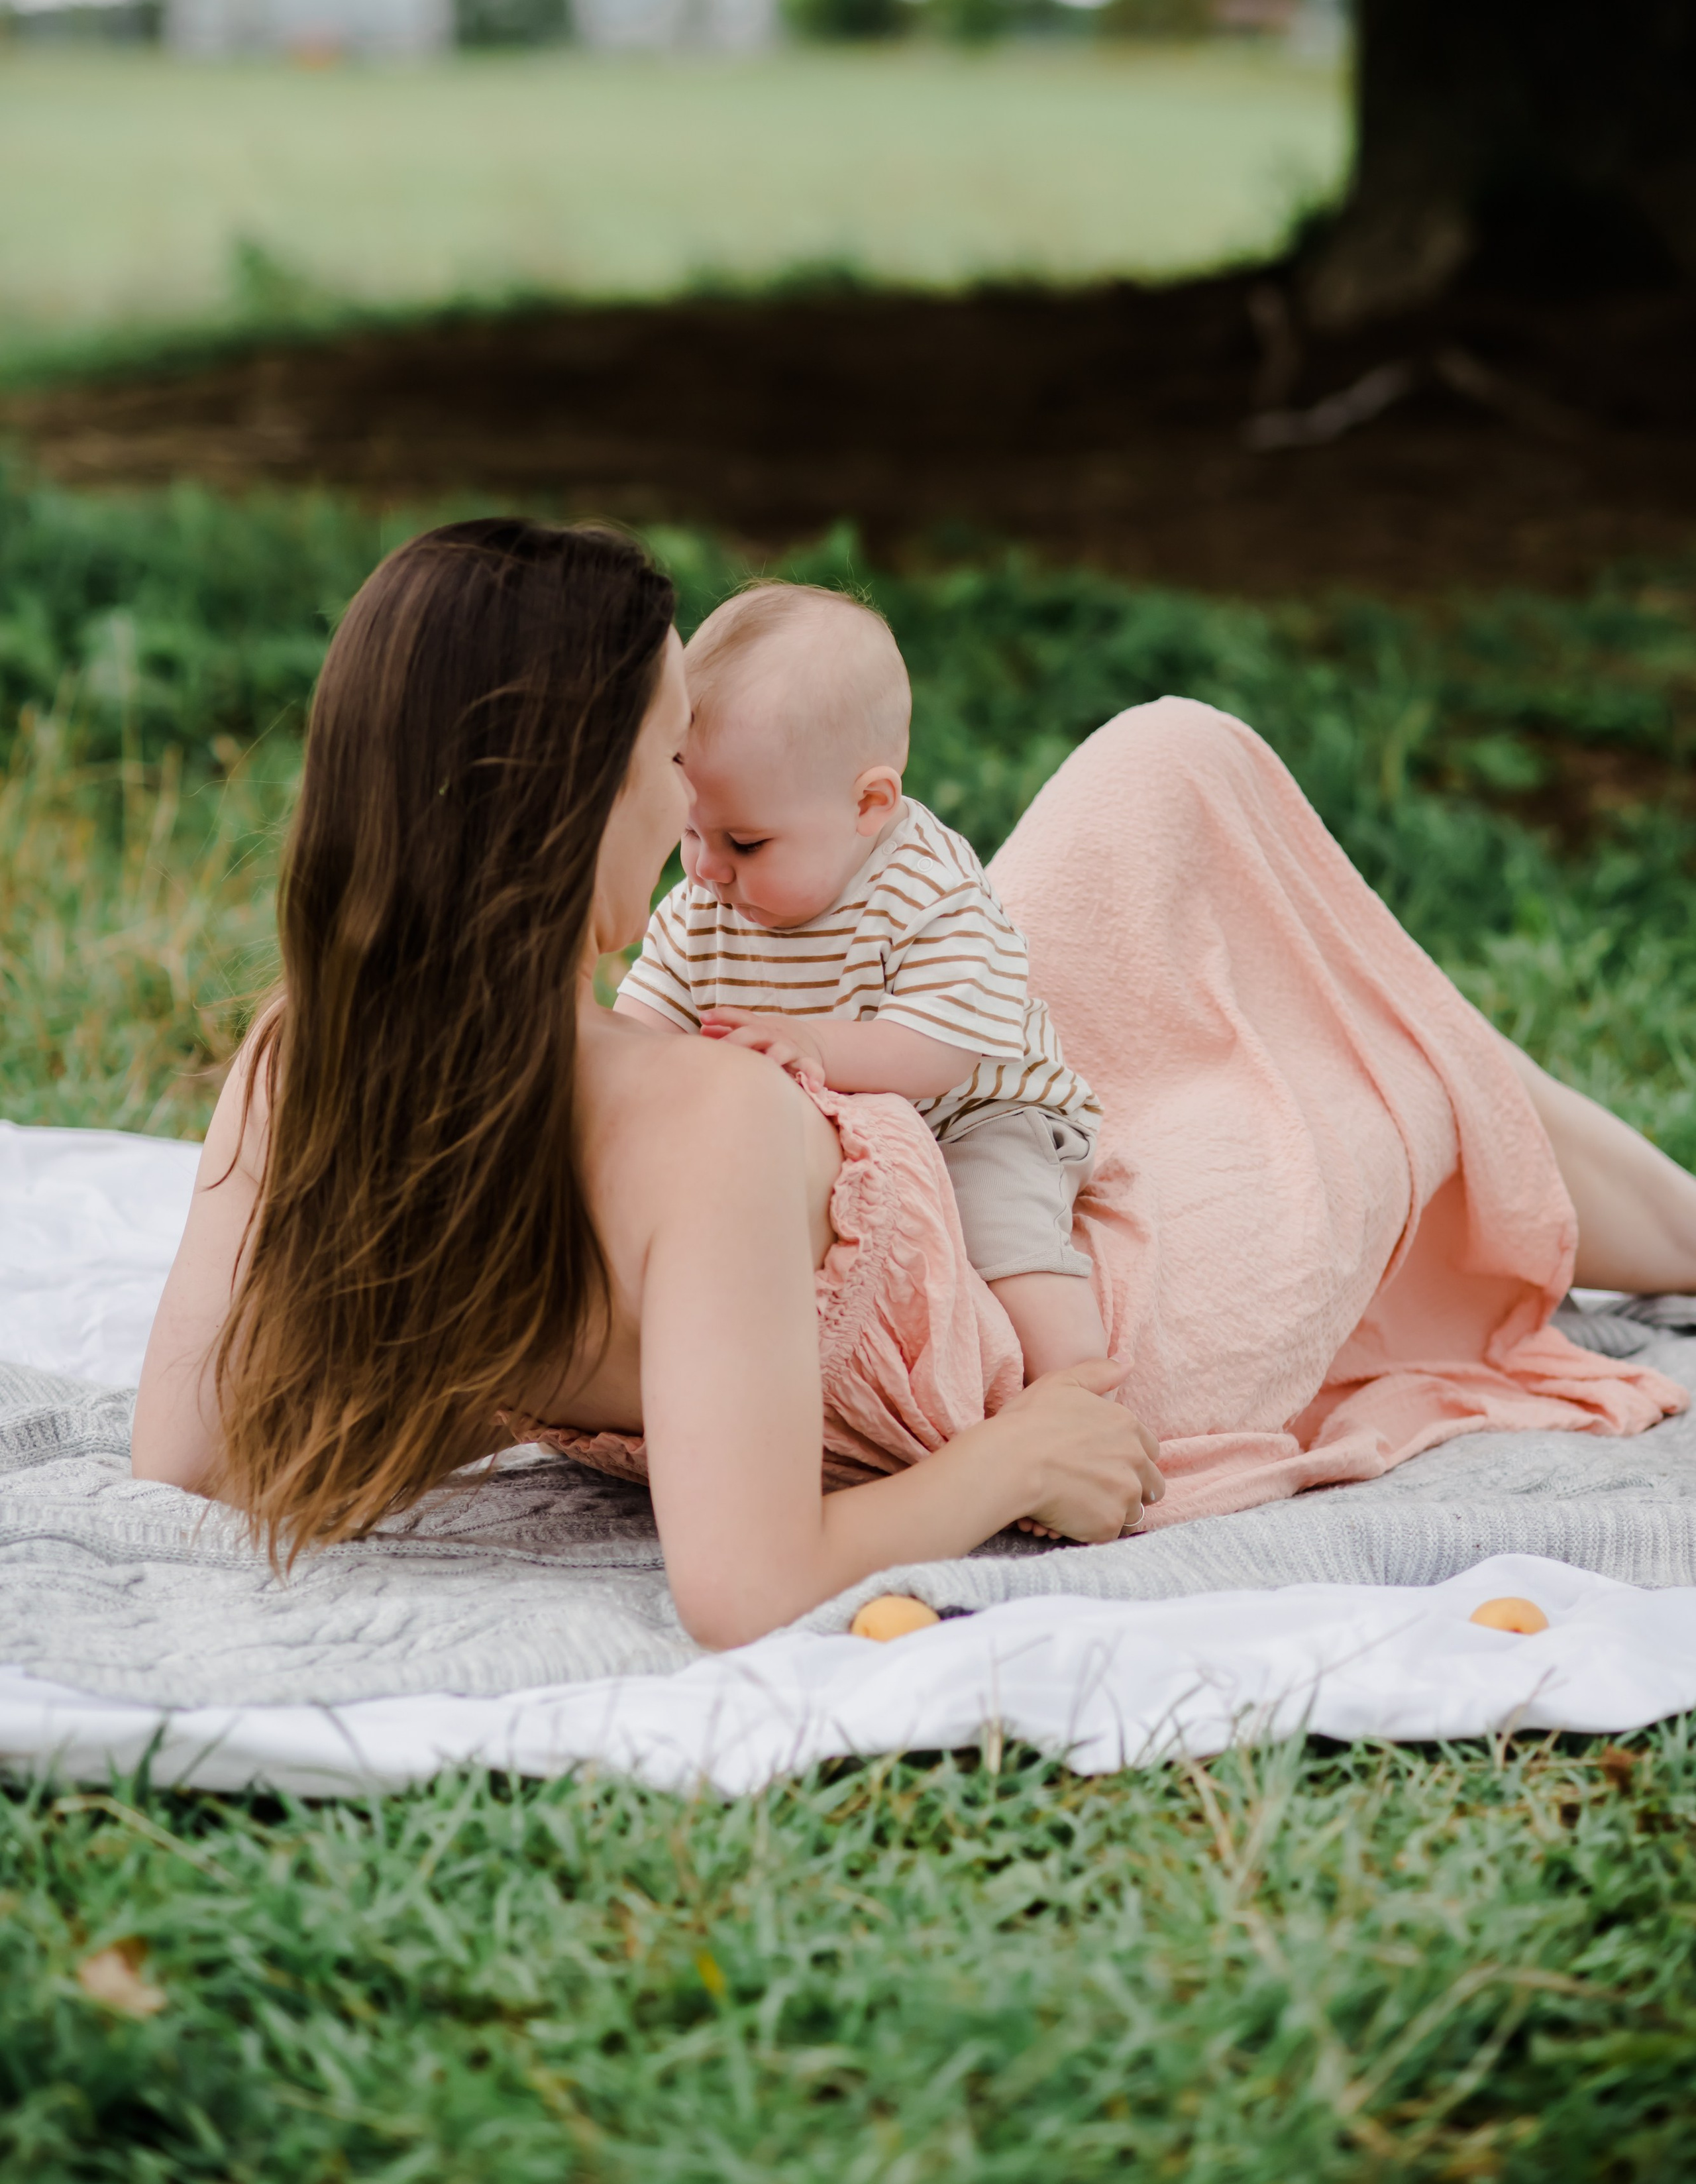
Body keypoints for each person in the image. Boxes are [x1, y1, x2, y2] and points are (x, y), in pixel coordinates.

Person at [131, 521, 1696, 1649]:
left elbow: (187, 1451)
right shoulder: (704, 1128)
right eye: (673, 755)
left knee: (1171, 757)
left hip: (954, 1129)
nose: (702, 792)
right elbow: (740, 1586)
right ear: (573, 811)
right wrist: (1010, 1463)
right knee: (1387, 1070)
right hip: (1072, 1328)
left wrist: (444, 1359)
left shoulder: (304, 1061)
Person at [616, 581, 1108, 1382]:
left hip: (973, 1117)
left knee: (1000, 1230)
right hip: (840, 1147)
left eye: (745, 841)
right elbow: (637, 1030)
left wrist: (814, 1042)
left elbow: (938, 1053)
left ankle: (1077, 1390)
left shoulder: (927, 890)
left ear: (868, 803)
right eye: (690, 831)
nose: (707, 869)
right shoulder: (703, 905)